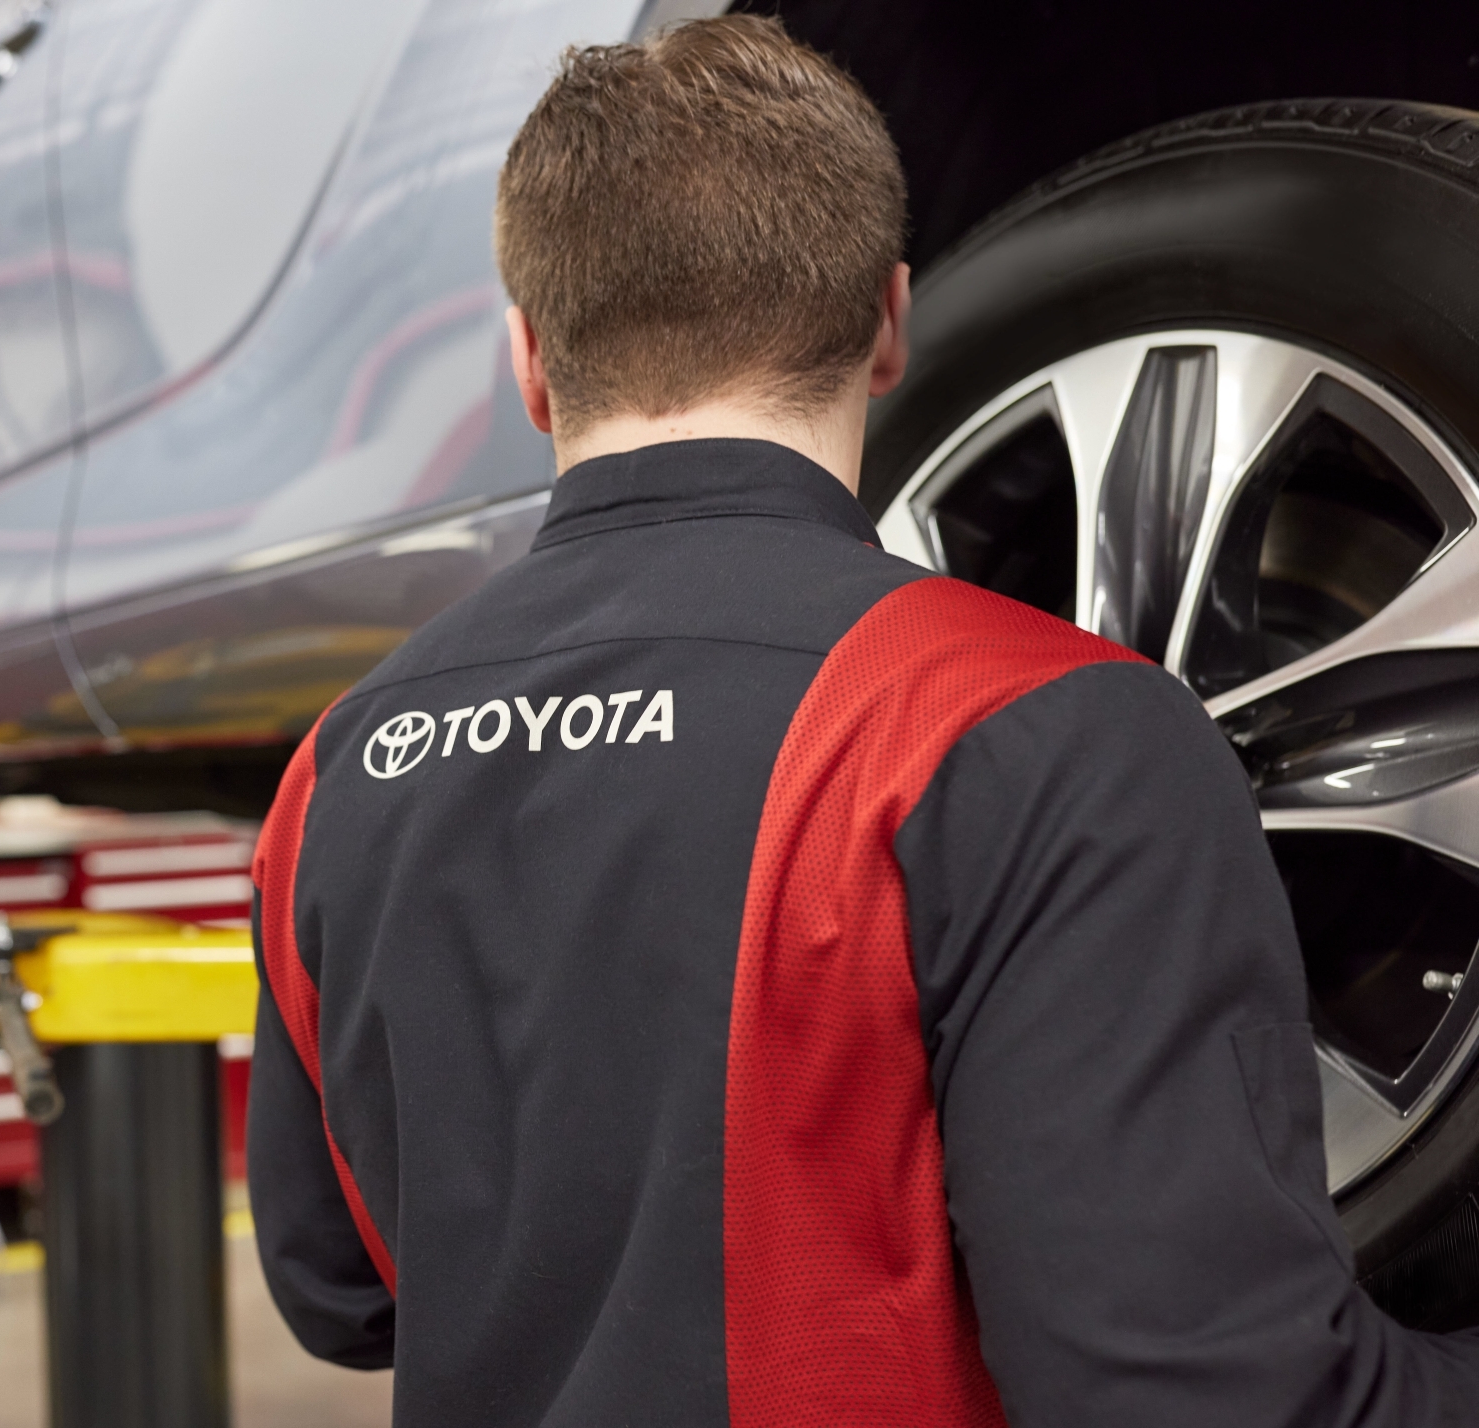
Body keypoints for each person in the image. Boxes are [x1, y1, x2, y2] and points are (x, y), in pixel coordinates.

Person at [246, 16, 1479, 1427]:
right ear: (889, 322)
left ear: (528, 357)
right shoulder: (1036, 728)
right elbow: (1197, 1393)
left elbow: (338, 1293)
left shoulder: (338, 768)